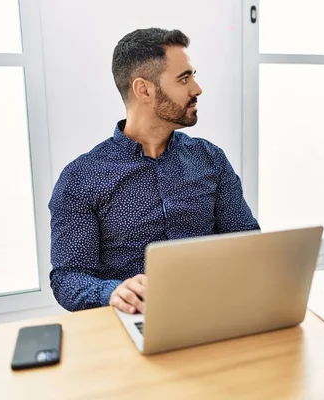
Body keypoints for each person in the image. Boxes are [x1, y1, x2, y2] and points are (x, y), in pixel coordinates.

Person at [48, 28, 260, 314]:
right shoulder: (81, 178)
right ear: (144, 89)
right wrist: (114, 292)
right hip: (131, 322)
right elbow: (68, 278)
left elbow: (246, 243)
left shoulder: (211, 160)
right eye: (184, 78)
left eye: (192, 75)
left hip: (213, 313)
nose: (197, 89)